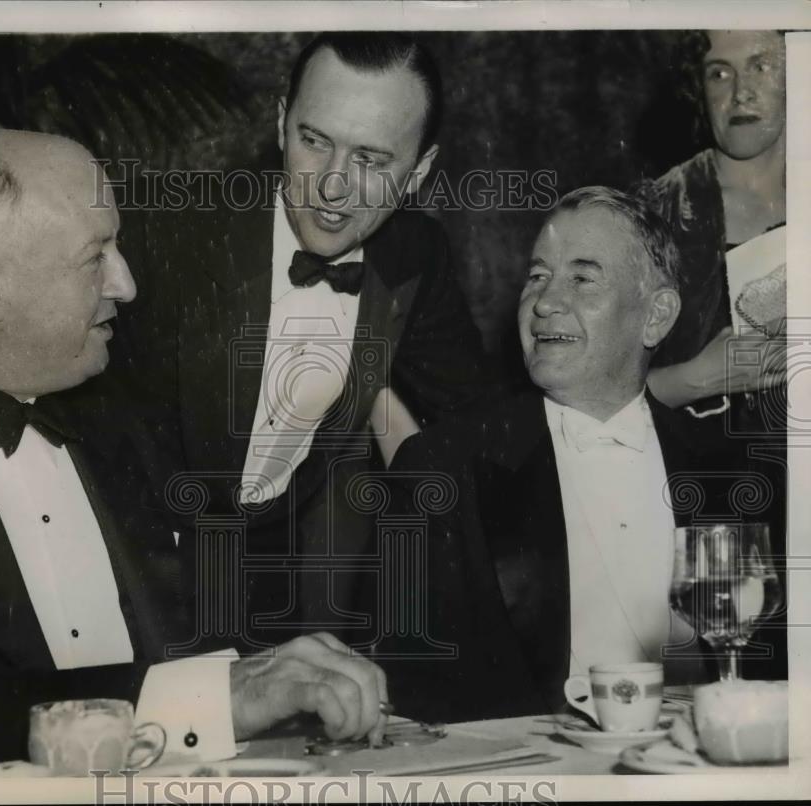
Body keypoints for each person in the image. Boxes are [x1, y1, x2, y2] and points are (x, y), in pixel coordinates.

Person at [0, 130, 389, 770]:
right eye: (96, 255)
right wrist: (209, 699)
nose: (127, 284)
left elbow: (210, 637)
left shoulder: (126, 422)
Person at [133, 33, 487, 646]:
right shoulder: (170, 237)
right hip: (148, 593)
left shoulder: (416, 257)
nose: (331, 185)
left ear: (421, 171)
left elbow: (474, 426)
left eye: (371, 161)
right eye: (314, 140)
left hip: (298, 610)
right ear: (280, 122)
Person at [380, 187, 784, 723]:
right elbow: (412, 694)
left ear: (656, 317)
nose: (545, 302)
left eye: (582, 278)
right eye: (537, 275)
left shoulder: (738, 471)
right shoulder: (442, 467)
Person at [639, 30, 786, 423]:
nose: (741, 93)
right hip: (702, 473)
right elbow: (587, 395)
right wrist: (698, 379)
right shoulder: (657, 210)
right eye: (720, 73)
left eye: (761, 66)